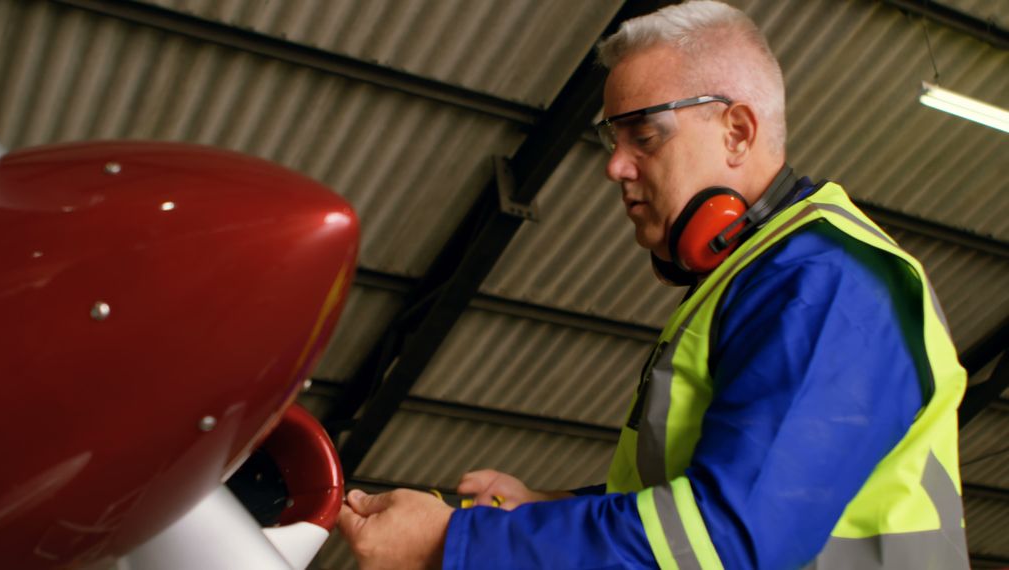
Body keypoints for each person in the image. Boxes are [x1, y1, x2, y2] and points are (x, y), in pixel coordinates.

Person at [338, 1, 969, 568]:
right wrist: (542, 509)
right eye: (613, 140)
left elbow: (727, 539)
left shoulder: (825, 282)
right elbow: (695, 502)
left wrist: (455, 543)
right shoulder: (760, 279)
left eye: (644, 135)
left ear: (738, 132)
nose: (615, 165)